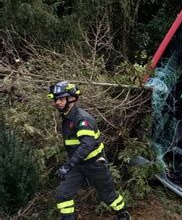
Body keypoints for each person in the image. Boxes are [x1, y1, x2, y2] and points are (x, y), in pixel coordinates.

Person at [48, 81, 131, 220]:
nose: (57, 102)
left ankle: (123, 215)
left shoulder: (82, 119)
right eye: (56, 99)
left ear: (72, 99)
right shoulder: (67, 118)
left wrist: (68, 166)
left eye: (61, 99)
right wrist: (71, 165)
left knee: (109, 196)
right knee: (63, 194)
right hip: (77, 166)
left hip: (95, 164)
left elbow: (87, 145)